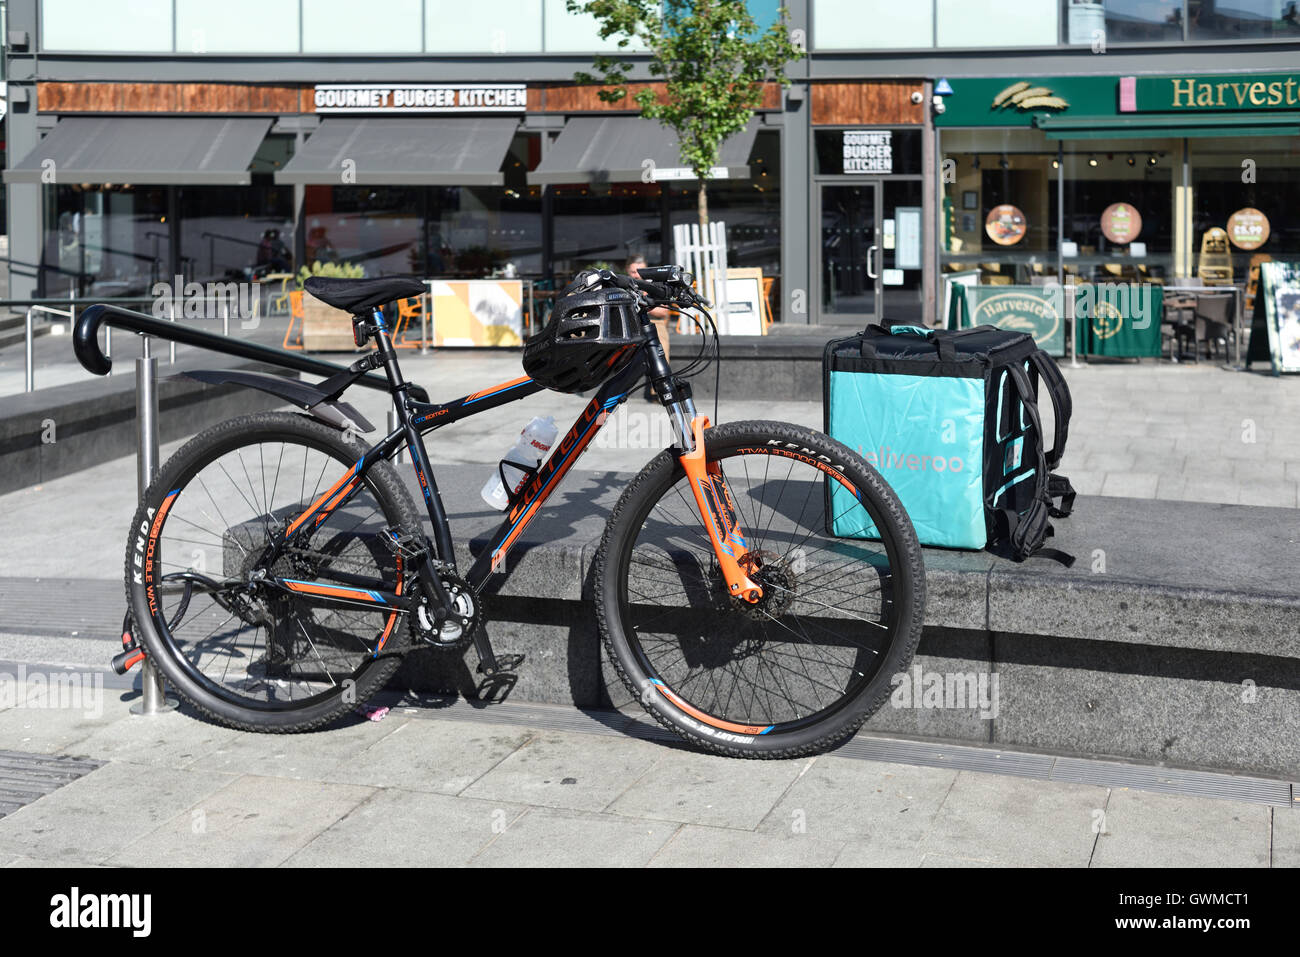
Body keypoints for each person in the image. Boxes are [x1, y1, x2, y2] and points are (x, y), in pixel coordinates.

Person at [626, 255, 673, 399]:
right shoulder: (623, 285)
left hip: (654, 324)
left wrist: (642, 305)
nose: (637, 275)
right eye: (633, 272)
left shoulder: (654, 286)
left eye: (640, 271)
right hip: (630, 324)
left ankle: (661, 392)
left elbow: (663, 311)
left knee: (661, 348)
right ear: (628, 271)